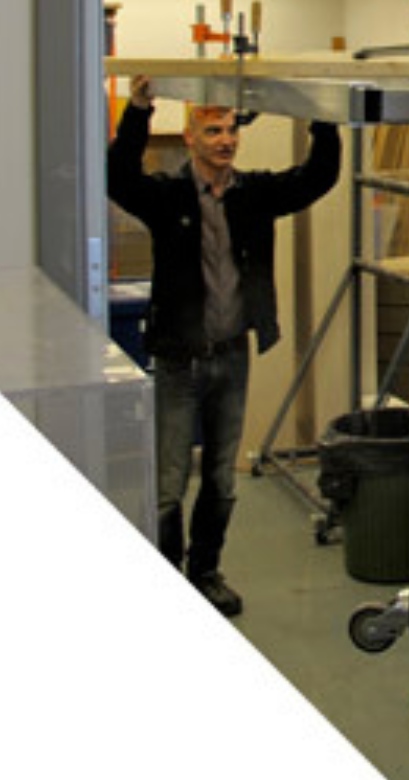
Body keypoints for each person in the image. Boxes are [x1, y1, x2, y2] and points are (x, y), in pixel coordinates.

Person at [108, 75, 342, 617]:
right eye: (212, 130)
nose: (225, 139)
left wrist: (324, 119)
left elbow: (316, 179)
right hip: (177, 360)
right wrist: (139, 112)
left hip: (231, 358)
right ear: (190, 138)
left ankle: (206, 572)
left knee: (220, 478)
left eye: (231, 129)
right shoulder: (166, 198)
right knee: (169, 482)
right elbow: (118, 176)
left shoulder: (253, 196)